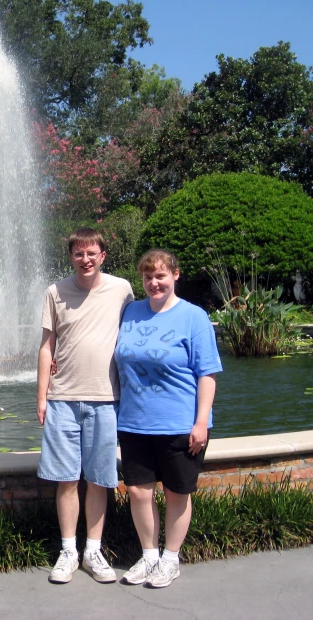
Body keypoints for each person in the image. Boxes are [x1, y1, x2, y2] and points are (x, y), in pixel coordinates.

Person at [114, 249, 222, 588]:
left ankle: (170, 558)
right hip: (134, 422)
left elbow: (207, 373)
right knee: (138, 492)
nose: (153, 282)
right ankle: (149, 556)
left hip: (179, 423)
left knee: (177, 493)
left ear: (175, 275)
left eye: (160, 275)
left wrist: (201, 422)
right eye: (147, 277)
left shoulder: (194, 317)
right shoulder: (131, 312)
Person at [37, 228, 133, 584]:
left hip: (107, 399)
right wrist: (42, 397)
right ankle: (68, 550)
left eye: (92, 253)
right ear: (71, 256)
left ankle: (93, 550)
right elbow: (47, 347)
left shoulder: (122, 289)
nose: (86, 259)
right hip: (62, 399)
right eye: (79, 254)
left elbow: (134, 334)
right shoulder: (55, 292)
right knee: (65, 479)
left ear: (103, 255)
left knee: (98, 480)